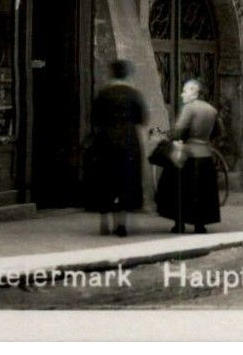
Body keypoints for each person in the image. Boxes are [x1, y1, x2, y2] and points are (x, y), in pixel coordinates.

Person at [86, 58, 147, 237]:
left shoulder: (103, 94)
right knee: (126, 181)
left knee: (105, 180)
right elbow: (142, 118)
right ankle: (121, 224)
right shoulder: (134, 94)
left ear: (111, 73)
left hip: (105, 140)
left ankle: (104, 223)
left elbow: (94, 118)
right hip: (128, 140)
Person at [155, 79, 222, 234]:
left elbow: (179, 131)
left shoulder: (189, 108)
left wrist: (170, 137)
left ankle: (179, 224)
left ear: (194, 92)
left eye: (185, 90)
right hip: (205, 154)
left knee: (179, 190)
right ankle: (200, 225)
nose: (182, 94)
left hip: (188, 154)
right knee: (202, 192)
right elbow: (218, 131)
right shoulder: (211, 110)